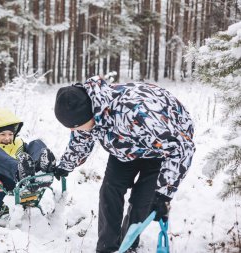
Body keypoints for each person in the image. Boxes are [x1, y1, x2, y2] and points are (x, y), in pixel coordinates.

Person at [53, 76, 195, 252]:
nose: (74, 131)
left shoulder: (137, 111)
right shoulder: (88, 109)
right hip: (124, 145)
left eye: (76, 126)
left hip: (160, 150)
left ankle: (128, 245)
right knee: (109, 190)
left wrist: (164, 194)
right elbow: (82, 138)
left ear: (90, 114)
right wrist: (66, 164)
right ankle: (107, 247)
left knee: (142, 200)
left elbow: (182, 148)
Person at [0, 108, 56, 211]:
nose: (7, 138)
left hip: (29, 192)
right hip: (3, 195)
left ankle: (40, 173)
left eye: (10, 134)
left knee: (36, 143)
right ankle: (20, 173)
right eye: (2, 134)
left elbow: (33, 152)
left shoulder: (19, 144)